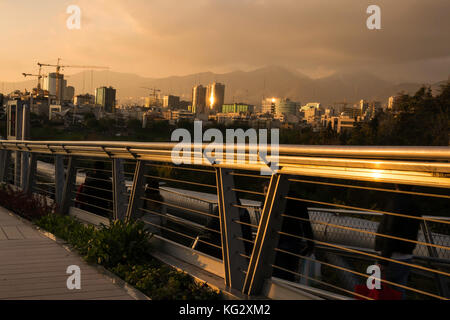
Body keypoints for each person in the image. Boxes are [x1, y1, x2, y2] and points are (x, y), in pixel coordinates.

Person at [374, 185, 421, 300]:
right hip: (406, 257)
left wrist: (383, 261)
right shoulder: (415, 205)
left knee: (378, 291)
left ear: (396, 185)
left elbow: (391, 233)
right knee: (398, 293)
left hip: (391, 258)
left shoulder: (395, 203)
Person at [272, 185, 315, 282]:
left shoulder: (275, 198)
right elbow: (306, 223)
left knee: (277, 274)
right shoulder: (298, 199)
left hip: (278, 241)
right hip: (293, 242)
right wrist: (310, 243)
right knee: (289, 274)